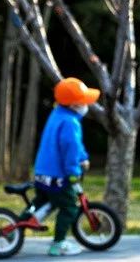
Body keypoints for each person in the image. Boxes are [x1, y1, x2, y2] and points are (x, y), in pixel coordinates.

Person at [28, 77, 102, 257]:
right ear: (74, 104)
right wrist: (74, 173)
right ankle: (58, 244)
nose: (86, 105)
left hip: (42, 173)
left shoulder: (58, 114)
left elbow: (75, 146)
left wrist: (83, 157)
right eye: (84, 101)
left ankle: (18, 225)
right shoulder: (70, 122)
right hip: (58, 176)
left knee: (42, 202)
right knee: (69, 206)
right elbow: (69, 148)